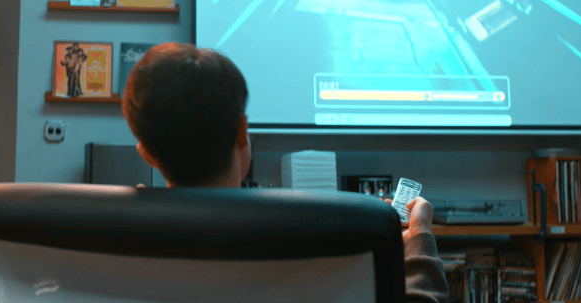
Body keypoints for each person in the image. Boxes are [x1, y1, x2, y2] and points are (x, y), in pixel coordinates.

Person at [122, 42, 448, 302]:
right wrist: (419, 238)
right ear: (242, 132)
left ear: (146, 153)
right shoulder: (308, 237)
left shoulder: (124, 239)